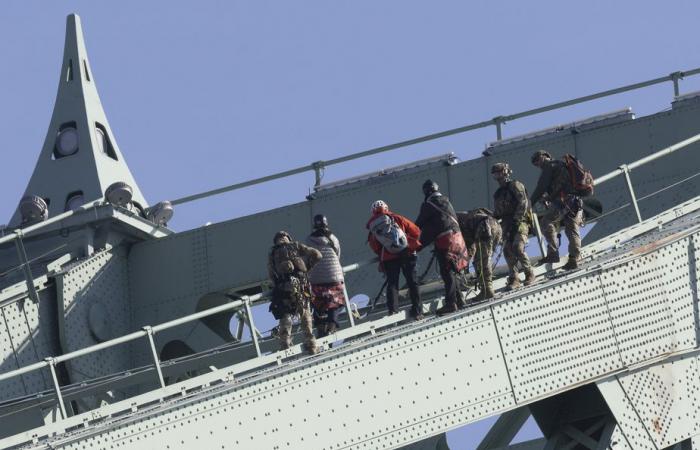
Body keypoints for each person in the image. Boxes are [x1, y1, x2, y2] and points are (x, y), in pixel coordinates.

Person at [415, 180, 469, 315]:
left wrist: (417, 245)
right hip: (457, 239)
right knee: (453, 270)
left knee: (447, 273)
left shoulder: (428, 205)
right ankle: (460, 300)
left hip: (445, 242)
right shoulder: (446, 202)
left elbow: (420, 226)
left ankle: (451, 303)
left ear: (426, 191)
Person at [366, 200, 424, 320]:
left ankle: (393, 311)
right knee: (412, 281)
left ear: (373, 212)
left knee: (392, 283)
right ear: (386, 209)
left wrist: (386, 248)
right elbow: (416, 231)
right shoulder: (397, 218)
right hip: (406, 252)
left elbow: (374, 246)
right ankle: (417, 310)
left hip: (388, 257)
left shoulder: (373, 226)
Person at [268, 230, 322, 354]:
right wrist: (307, 268)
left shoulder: (272, 252)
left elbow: (271, 274)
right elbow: (318, 255)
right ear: (288, 238)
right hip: (301, 285)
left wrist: (276, 284)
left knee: (285, 316)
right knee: (305, 314)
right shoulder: (296, 245)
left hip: (283, 288)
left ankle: (285, 345)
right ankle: (311, 344)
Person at [530, 150, 583, 270]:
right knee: (572, 229)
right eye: (535, 163)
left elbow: (541, 188)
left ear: (545, 156)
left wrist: (529, 204)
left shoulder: (550, 166)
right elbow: (561, 184)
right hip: (574, 200)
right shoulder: (560, 164)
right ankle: (574, 258)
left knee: (545, 222)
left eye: (538, 160)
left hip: (563, 202)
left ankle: (553, 253)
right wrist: (550, 197)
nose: (537, 164)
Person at [491, 163, 536, 290]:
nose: (498, 175)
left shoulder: (515, 185)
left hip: (520, 222)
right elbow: (499, 212)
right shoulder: (498, 194)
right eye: (495, 173)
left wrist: (517, 219)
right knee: (507, 251)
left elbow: (523, 202)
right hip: (507, 224)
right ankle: (514, 277)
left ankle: (529, 273)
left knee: (518, 247)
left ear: (505, 172)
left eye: (499, 172)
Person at [306, 214, 346, 338]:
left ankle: (320, 327)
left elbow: (306, 258)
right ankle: (332, 324)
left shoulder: (309, 240)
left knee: (318, 303)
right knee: (336, 302)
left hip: (316, 277)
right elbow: (337, 254)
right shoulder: (333, 238)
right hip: (333, 275)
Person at [457, 208, 502, 301]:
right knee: (483, 259)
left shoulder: (455, 224)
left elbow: (469, 247)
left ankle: (487, 291)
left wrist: (463, 265)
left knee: (481, 260)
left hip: (484, 227)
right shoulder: (461, 217)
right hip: (496, 226)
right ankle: (486, 289)